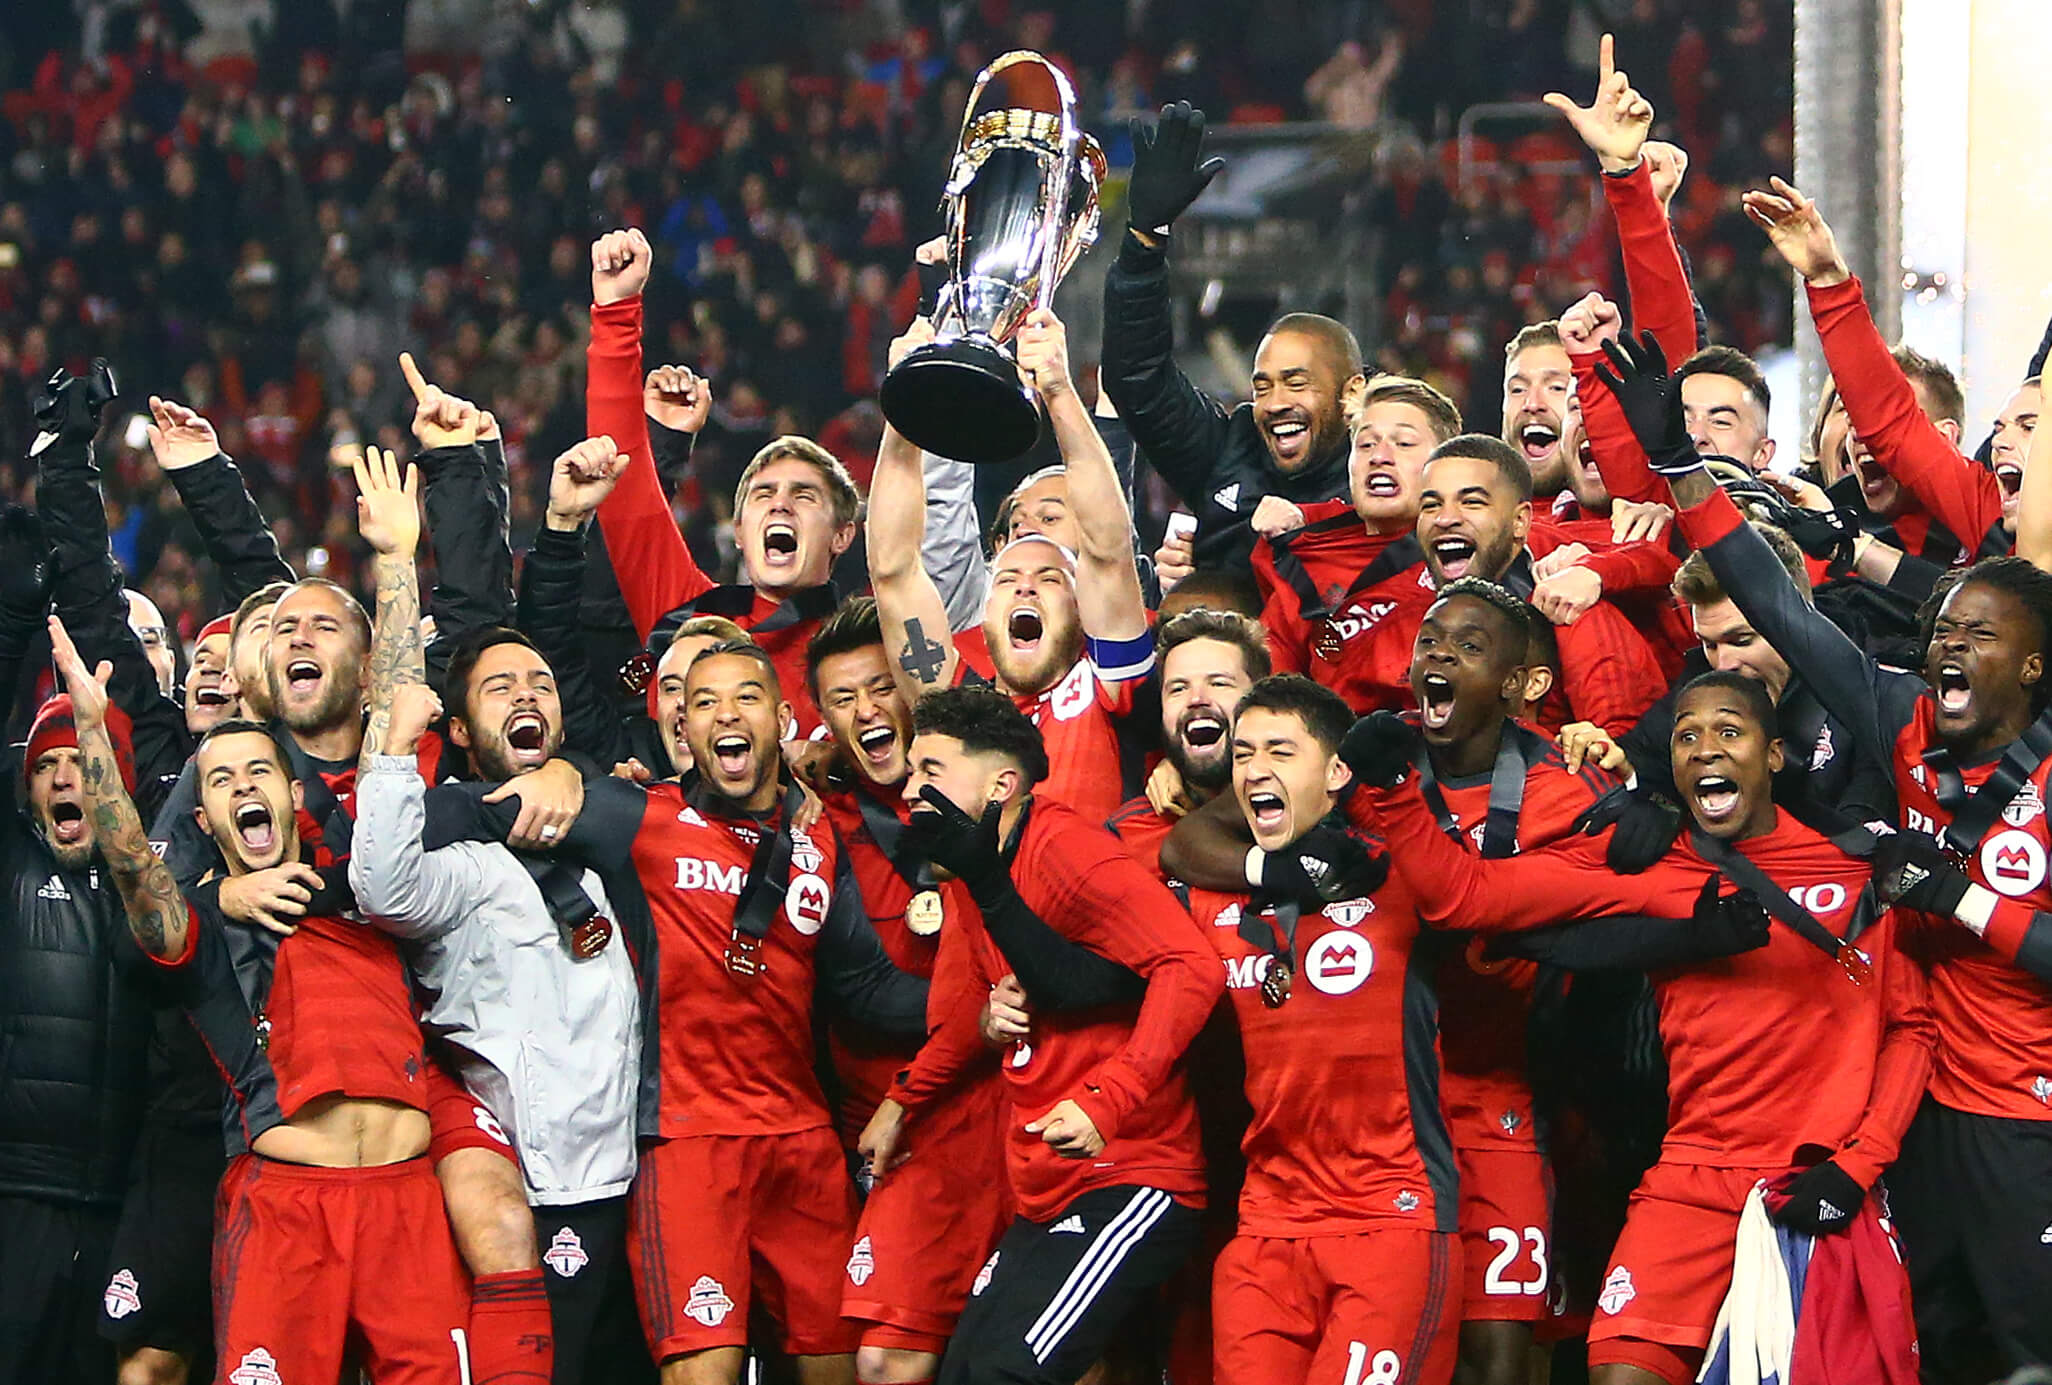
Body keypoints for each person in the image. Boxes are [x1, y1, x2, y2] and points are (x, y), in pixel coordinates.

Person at [1599, 326, 2052, 1379]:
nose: (1947, 644)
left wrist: (1963, 899)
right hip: (1922, 1111)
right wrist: (1681, 471)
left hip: (2030, 1119)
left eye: (1976, 633)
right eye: (1940, 626)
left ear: (2032, 665)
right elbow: (1774, 604)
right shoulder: (1898, 718)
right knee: (1929, 1353)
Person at [1353, 671, 1933, 1385]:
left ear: (1775, 755)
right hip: (1690, 1180)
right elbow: (1464, 896)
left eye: (1729, 731)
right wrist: (1391, 789)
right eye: (1687, 735)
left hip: (1813, 1179)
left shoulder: (1857, 869)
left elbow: (1912, 1029)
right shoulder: (1643, 862)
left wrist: (1858, 1164)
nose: (1705, 749)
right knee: (1619, 1373)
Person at [53, 608, 477, 1385]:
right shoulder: (203, 928)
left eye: (256, 773)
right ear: (204, 818)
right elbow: (135, 880)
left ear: (290, 791)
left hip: (407, 1202)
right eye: (219, 781)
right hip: (286, 1208)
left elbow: (390, 721)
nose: (241, 786)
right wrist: (93, 740)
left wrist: (397, 554)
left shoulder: (369, 884)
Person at [349, 436, 651, 1385]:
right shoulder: (461, 854)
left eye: (541, 687)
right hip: (512, 1171)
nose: (526, 693)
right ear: (466, 731)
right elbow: (384, 884)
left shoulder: (612, 824)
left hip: (627, 1170)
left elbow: (633, 784)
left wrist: (581, 775)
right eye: (498, 689)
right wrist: (398, 758)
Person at [860, 686, 1222, 1385]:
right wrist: (902, 1101)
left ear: (1000, 783)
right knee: (965, 1371)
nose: (909, 788)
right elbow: (972, 1005)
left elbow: (1191, 966)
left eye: (929, 769)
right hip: (1048, 1185)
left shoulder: (1067, 848)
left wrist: (1109, 1099)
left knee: (1003, 1372)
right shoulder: (970, 865)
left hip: (1131, 1174)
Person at [1181, 674, 1461, 1385]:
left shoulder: (1400, 877)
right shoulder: (1217, 890)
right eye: (1243, 755)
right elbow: (1172, 850)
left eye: (1280, 750)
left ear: (1337, 771)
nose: (1254, 770)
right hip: (1266, 1226)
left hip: (1390, 1215)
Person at [868, 310, 1158, 827]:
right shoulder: (955, 701)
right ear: (984, 610)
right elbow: (893, 571)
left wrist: (1059, 389)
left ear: (1079, 607)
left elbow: (1109, 552)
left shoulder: (1109, 680)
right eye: (1006, 579)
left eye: (1050, 579)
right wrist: (904, 407)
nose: (1025, 585)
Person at [584, 228, 859, 734]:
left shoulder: (866, 652)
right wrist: (617, 311)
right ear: (737, 530)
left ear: (843, 533)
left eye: (804, 496)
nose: (780, 506)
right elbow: (617, 480)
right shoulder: (685, 613)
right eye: (763, 494)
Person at [1101, 101, 1363, 571]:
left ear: (1352, 391)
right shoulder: (1230, 448)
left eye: (1296, 382)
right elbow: (1137, 378)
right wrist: (1145, 238)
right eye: (1262, 386)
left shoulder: (1387, 472)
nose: (1276, 402)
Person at [1106, 608, 1271, 878]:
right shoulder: (1125, 837)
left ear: (1263, 698)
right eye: (1178, 688)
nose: (1196, 699)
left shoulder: (1311, 807)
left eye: (1219, 683)